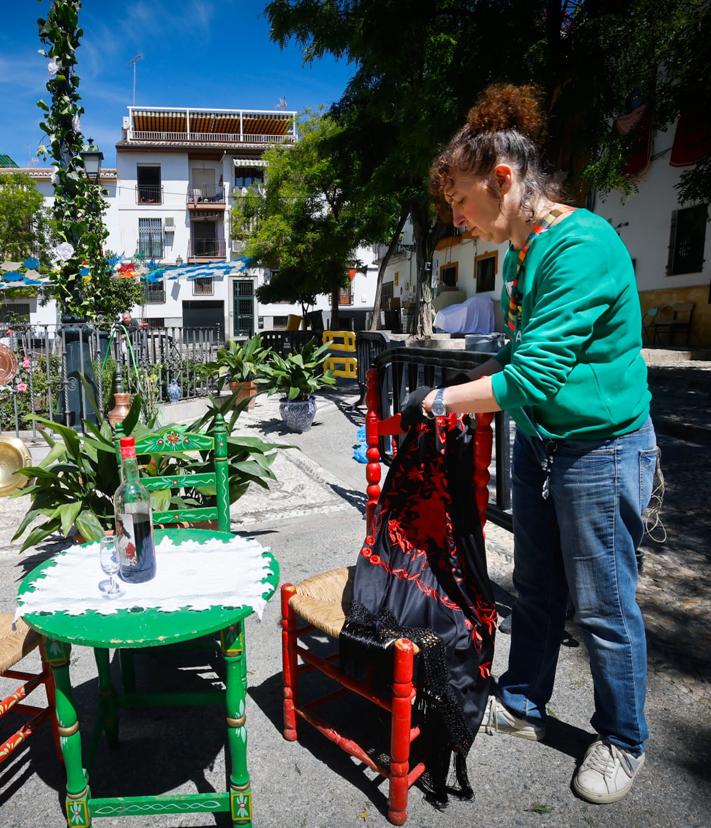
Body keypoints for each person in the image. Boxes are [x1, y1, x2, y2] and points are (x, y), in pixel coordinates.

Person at [410, 83, 657, 804]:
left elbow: (538, 373)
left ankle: (622, 738)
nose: (455, 216)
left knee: (604, 604)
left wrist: (438, 399)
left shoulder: (581, 247)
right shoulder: (523, 252)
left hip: (601, 446)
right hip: (546, 443)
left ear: (503, 180)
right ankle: (521, 701)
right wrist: (453, 390)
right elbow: (522, 360)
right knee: (537, 590)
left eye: (460, 199)